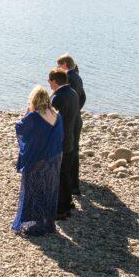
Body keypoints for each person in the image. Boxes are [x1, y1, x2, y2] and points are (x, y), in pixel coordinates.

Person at [12, 86, 63, 236]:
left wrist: (27, 113)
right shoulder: (57, 116)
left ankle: (34, 223)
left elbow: (21, 130)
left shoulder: (34, 116)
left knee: (33, 190)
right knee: (49, 190)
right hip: (54, 159)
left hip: (37, 159)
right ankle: (47, 223)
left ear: (34, 100)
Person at [48, 67, 79, 219]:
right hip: (70, 139)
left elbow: (52, 122)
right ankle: (67, 204)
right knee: (66, 174)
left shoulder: (57, 98)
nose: (48, 84)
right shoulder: (72, 93)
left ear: (54, 82)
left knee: (59, 175)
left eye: (49, 81)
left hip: (59, 141)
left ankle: (60, 209)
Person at [57, 53, 85, 196]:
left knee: (71, 152)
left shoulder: (69, 78)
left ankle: (72, 185)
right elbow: (83, 97)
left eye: (59, 65)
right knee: (74, 151)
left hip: (72, 122)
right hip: (76, 119)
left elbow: (69, 98)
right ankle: (74, 184)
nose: (57, 68)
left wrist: (72, 112)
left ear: (65, 65)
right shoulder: (77, 76)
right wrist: (77, 110)